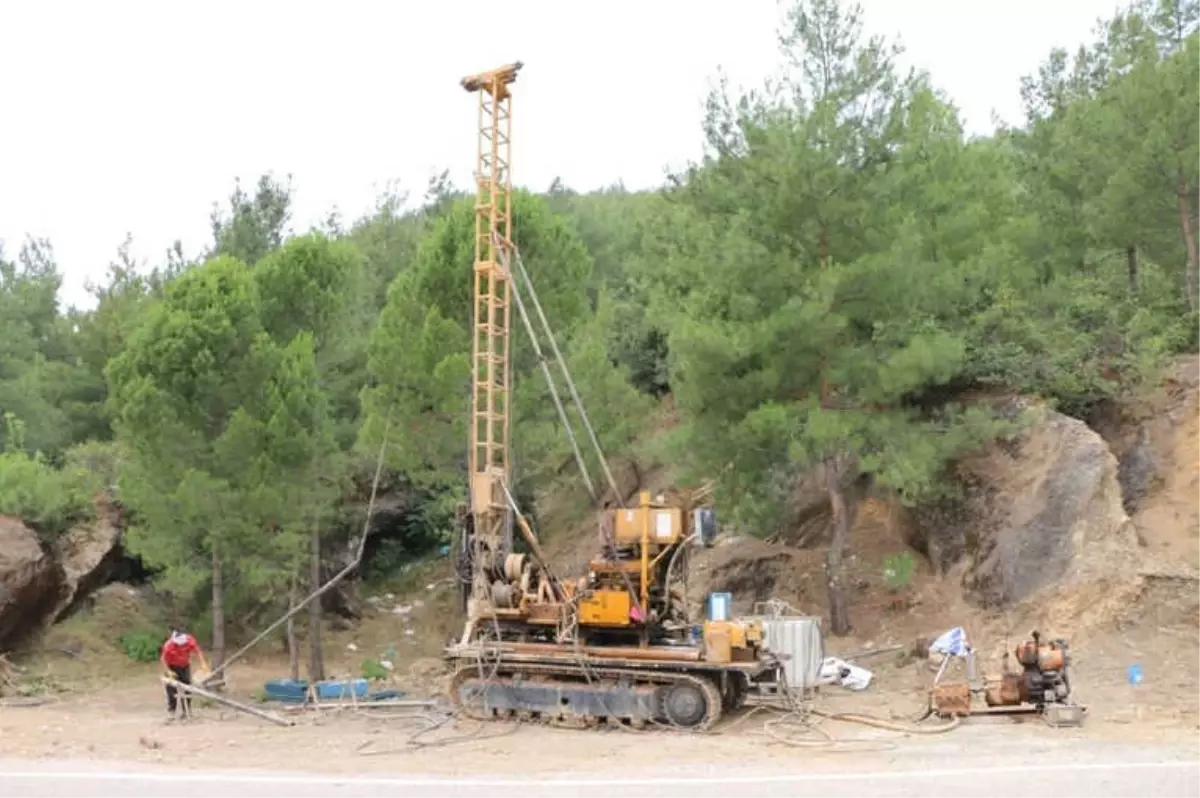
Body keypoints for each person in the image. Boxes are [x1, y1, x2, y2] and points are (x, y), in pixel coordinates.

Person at [160, 628, 209, 721]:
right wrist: (168, 671)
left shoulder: (190, 640)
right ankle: (172, 712)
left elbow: (197, 651)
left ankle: (186, 711)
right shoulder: (169, 645)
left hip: (184, 666)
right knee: (171, 690)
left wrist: (203, 663)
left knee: (187, 687)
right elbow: (163, 659)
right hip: (172, 667)